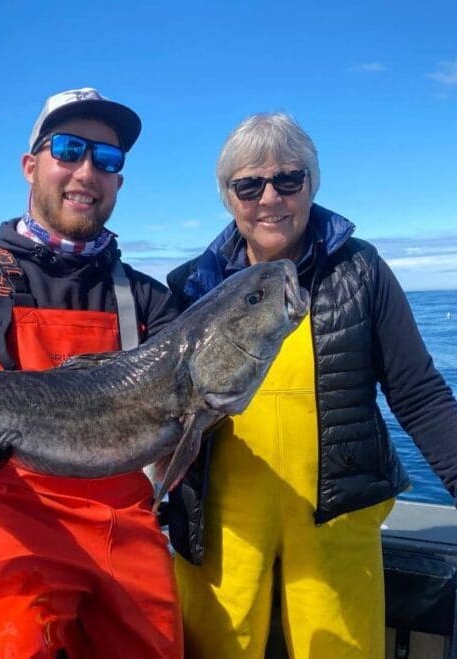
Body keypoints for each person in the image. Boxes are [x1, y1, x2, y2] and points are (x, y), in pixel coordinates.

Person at [165, 112, 457, 658]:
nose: (270, 198)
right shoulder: (187, 287)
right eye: (249, 185)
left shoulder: (363, 271)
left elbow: (418, 394)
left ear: (311, 184)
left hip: (337, 522)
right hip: (223, 530)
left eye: (288, 180)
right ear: (229, 197)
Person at [0, 87, 183, 658]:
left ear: (119, 183)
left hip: (120, 518)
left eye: (107, 160)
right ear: (31, 166)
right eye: (69, 149)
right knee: (0, 645)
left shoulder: (151, 301)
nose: (88, 171)